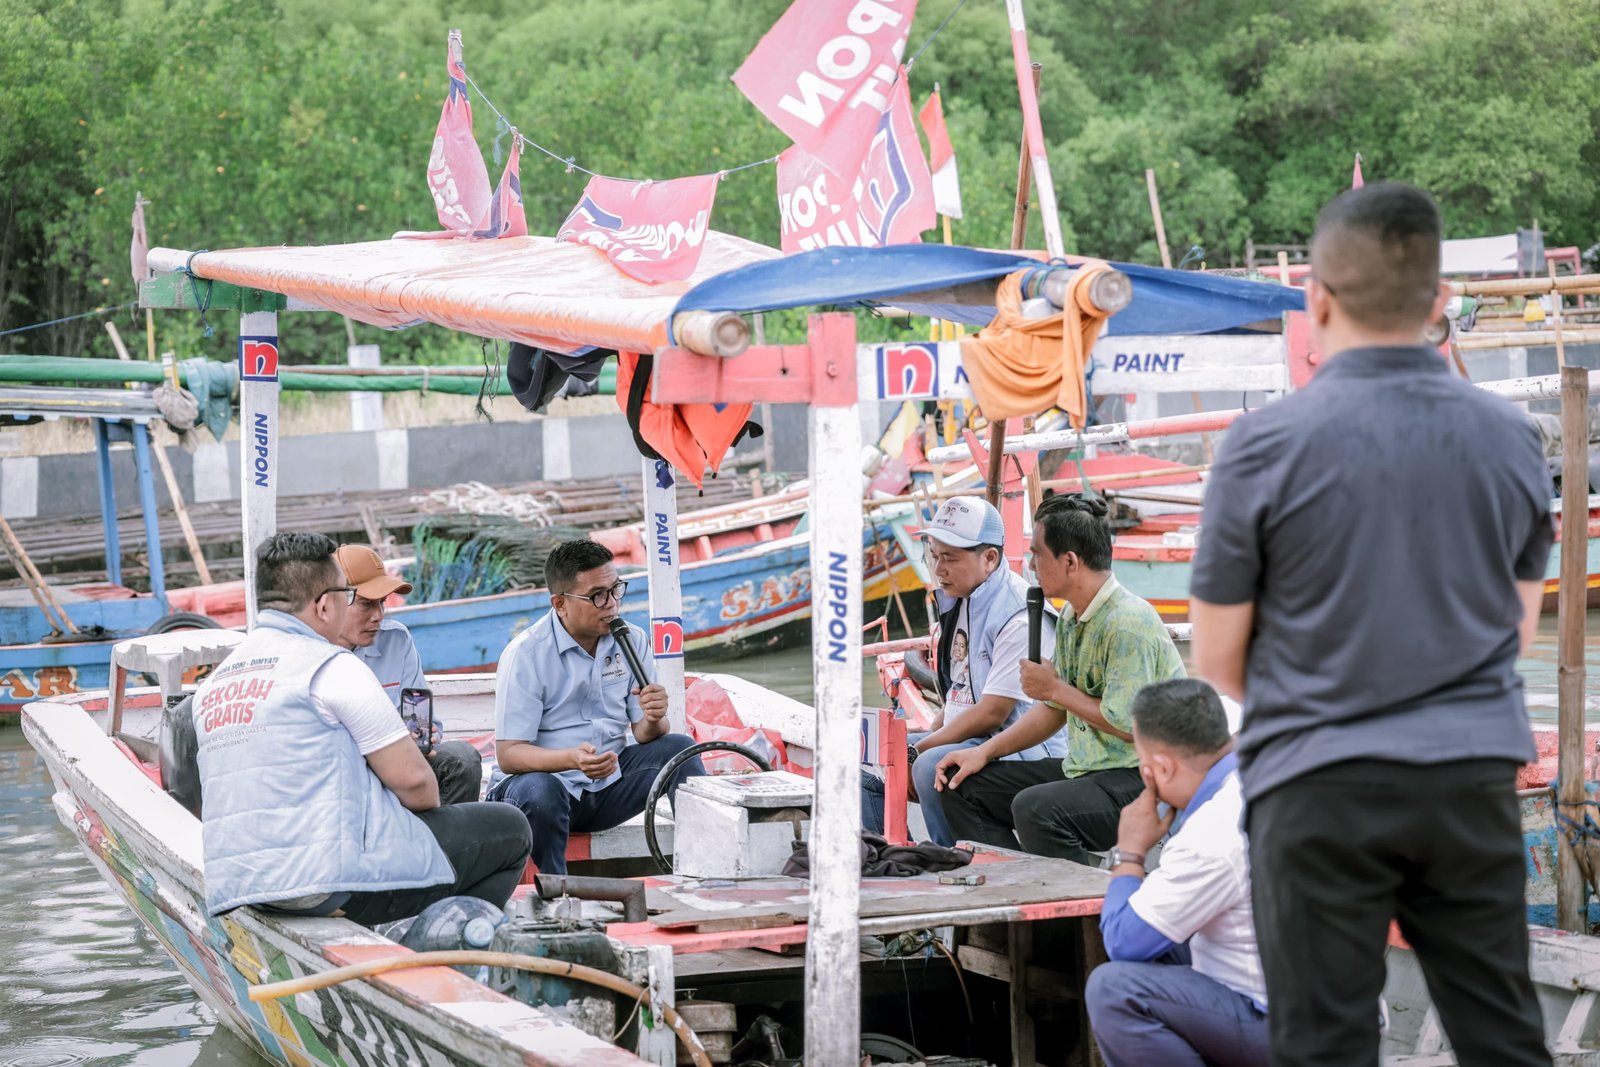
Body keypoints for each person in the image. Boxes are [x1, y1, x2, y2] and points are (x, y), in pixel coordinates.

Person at [1190, 182, 1553, 1066]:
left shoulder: (1260, 446)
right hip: (1467, 775)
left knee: (1325, 1043)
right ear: (1437, 302)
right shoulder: (1511, 437)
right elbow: (1516, 635)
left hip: (1317, 778)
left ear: (1317, 296)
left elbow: (1217, 656)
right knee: (1503, 1037)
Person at [191, 532, 531, 925]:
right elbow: (418, 786)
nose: (375, 614)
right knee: (510, 829)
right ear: (323, 605)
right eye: (347, 597)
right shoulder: (331, 665)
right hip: (324, 884)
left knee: (456, 764)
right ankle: (449, 946)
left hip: (240, 886)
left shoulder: (215, 683)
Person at [935, 493, 1184, 865]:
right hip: (1088, 769)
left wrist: (1055, 689)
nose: (1032, 566)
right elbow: (1052, 711)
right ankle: (1013, 891)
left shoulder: (1129, 623)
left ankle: (1081, 907)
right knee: (960, 785)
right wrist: (981, 753)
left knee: (1036, 808)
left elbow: (1135, 728)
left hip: (1145, 779)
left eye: (1037, 554)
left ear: (1069, 561)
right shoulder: (1071, 617)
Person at [491, 540, 706, 875]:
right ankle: (556, 895)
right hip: (540, 791)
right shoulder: (526, 654)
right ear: (560, 603)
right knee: (540, 789)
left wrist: (654, 716)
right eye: (597, 595)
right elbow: (509, 755)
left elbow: (647, 734)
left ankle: (703, 871)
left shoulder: (631, 639)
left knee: (680, 749)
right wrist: (571, 759)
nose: (612, 604)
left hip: (606, 785)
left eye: (616, 589)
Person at [1085, 678, 1269, 1067]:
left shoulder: (1214, 830)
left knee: (1113, 990)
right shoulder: (1263, 776)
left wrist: (1130, 853)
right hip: (1342, 1013)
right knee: (1161, 940)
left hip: (1292, 1031)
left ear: (1162, 768)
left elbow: (1123, 940)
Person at [863, 497, 1067, 845]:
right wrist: (923, 737)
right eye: (935, 556)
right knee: (867, 757)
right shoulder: (964, 600)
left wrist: (919, 749)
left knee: (929, 766)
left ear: (990, 558)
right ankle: (890, 854)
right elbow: (962, 689)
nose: (939, 569)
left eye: (951, 559)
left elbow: (992, 712)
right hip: (972, 736)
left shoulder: (1017, 614)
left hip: (1018, 750)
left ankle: (954, 859)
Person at [332, 544, 484, 805]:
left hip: (403, 767)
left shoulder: (397, 640)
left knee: (462, 759)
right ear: (333, 602)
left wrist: (427, 735)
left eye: (382, 603)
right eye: (367, 604)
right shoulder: (309, 656)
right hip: (345, 777)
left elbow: (426, 724)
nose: (378, 616)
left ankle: (442, 842)